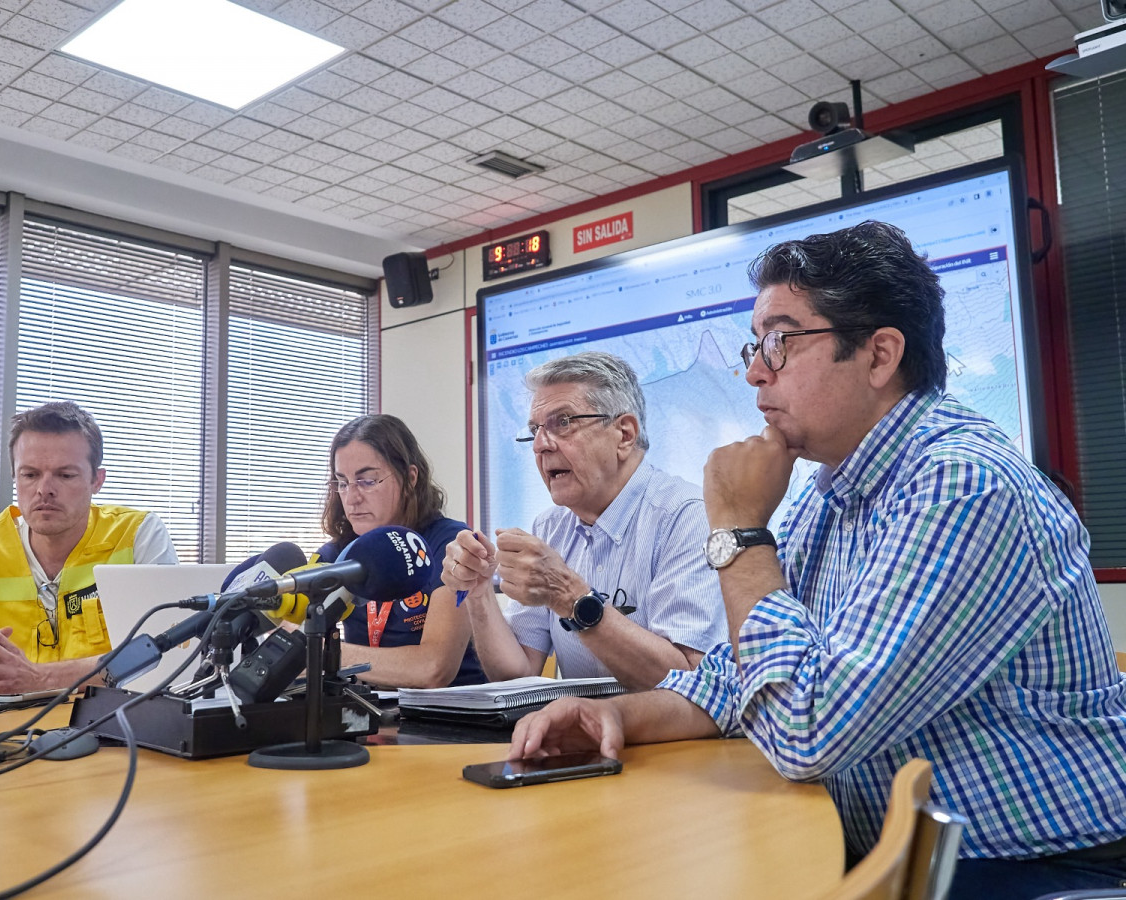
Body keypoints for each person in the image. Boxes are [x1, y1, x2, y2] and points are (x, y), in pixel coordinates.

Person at [508, 222, 1126, 899]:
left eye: (780, 341)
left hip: (1028, 868)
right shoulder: (828, 494)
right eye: (755, 344)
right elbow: (735, 683)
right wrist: (615, 718)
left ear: (879, 354)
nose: (752, 371)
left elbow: (809, 733)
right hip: (885, 848)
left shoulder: (962, 485)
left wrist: (741, 532)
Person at [443, 351, 729, 692]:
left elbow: (687, 681)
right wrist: (478, 592)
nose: (540, 445)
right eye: (535, 430)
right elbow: (516, 674)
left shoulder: (688, 516)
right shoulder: (550, 527)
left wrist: (571, 598)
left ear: (624, 434)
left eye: (562, 423)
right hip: (584, 735)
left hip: (671, 741)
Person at [0, 401, 178, 696]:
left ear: (96, 480)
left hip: (111, 729)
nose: (44, 489)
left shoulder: (138, 536)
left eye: (65, 475)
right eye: (30, 475)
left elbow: (166, 650)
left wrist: (38, 678)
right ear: (15, 478)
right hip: (3, 733)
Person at [316, 414, 483, 688]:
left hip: (453, 721)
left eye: (367, 481)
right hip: (371, 715)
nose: (352, 498)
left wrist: (325, 654)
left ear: (410, 478)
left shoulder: (450, 543)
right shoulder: (337, 554)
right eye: (342, 483)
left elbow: (433, 668)